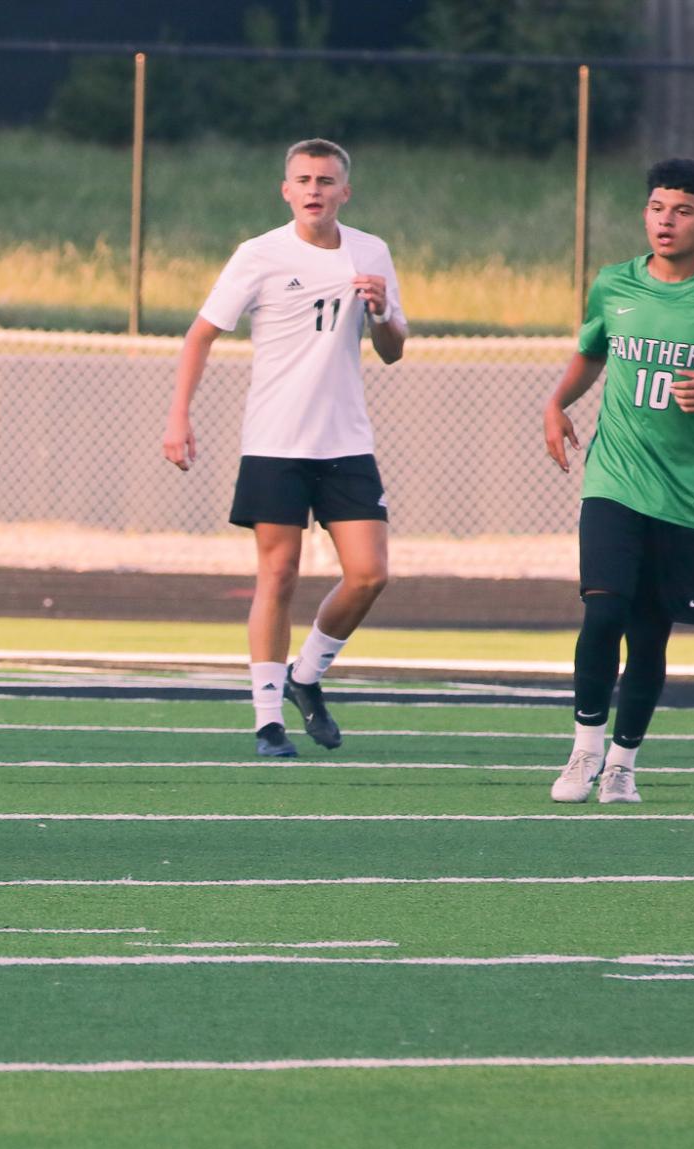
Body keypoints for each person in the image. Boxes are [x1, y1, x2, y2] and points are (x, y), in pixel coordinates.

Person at [543, 160, 694, 806]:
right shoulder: (613, 284)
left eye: (680, 211)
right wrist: (555, 403)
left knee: (648, 633)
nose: (664, 221)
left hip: (683, 492)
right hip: (613, 477)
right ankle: (583, 749)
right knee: (602, 611)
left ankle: (622, 765)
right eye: (655, 208)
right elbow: (592, 351)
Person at [162, 138, 406, 757]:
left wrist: (381, 314)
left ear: (344, 192)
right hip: (275, 439)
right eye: (304, 179)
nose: (315, 190)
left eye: (327, 180)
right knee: (279, 572)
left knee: (370, 574)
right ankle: (268, 720)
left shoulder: (371, 251)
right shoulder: (260, 255)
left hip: (345, 440)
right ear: (287, 190)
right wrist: (178, 416)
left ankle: (307, 676)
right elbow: (199, 336)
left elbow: (394, 348)